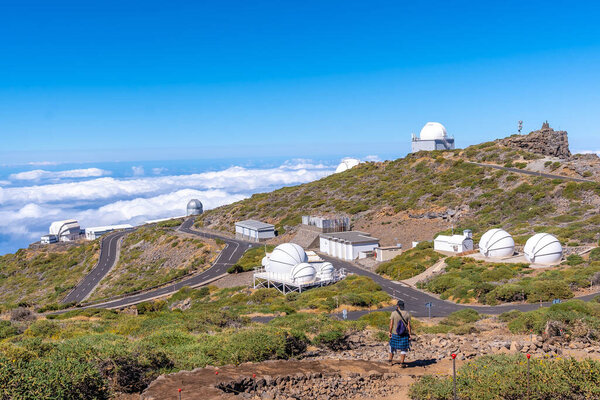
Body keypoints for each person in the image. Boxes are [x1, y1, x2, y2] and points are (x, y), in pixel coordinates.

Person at [388, 299, 411, 367]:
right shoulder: (407, 314)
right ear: (403, 306)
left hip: (395, 333)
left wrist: (389, 332)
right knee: (403, 348)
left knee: (392, 347)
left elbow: (391, 324)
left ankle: (390, 361)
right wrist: (410, 334)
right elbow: (409, 325)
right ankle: (402, 363)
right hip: (404, 334)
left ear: (397, 306)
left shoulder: (393, 313)